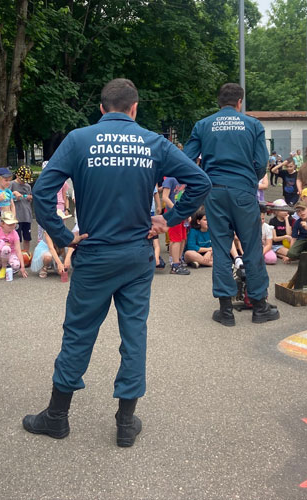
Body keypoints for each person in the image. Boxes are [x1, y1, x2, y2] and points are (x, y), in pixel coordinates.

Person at [23, 78, 210, 447]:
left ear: (102, 108)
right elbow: (199, 180)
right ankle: (126, 423)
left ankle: (57, 417)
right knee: (134, 334)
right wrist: (169, 220)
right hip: (137, 255)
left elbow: (42, 191)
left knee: (78, 333)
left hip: (93, 254)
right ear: (135, 108)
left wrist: (63, 237)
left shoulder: (78, 139)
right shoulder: (154, 142)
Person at [183, 82, 279, 326]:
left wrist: (203, 180)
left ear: (219, 102)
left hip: (214, 192)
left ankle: (225, 311)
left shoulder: (203, 125)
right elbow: (261, 162)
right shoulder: (253, 124)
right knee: (252, 247)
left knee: (222, 247)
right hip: (243, 191)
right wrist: (249, 182)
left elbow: (186, 159)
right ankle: (259, 306)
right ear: (240, 103)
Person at [0, 211, 28, 280]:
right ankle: (3, 267)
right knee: (6, 248)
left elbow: (18, 251)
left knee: (16, 265)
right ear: (2, 224)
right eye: (9, 224)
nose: (12, 226)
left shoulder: (15, 234)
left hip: (11, 254)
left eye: (13, 224)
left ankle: (7, 267)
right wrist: (1, 244)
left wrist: (22, 267)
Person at [162, 176, 190, 274]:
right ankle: (175, 265)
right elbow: (165, 197)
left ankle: (178, 259)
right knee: (176, 239)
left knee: (182, 238)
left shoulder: (185, 180)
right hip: (173, 213)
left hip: (183, 213)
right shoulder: (170, 179)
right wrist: (177, 209)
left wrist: (187, 213)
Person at [12, 165, 34, 252]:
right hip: (16, 216)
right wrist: (14, 195)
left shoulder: (28, 186)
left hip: (26, 215)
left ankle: (26, 253)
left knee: (27, 237)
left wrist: (30, 198)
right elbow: (6, 197)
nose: (24, 182)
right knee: (16, 238)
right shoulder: (12, 184)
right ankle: (16, 254)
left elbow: (29, 199)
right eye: (22, 180)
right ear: (17, 175)